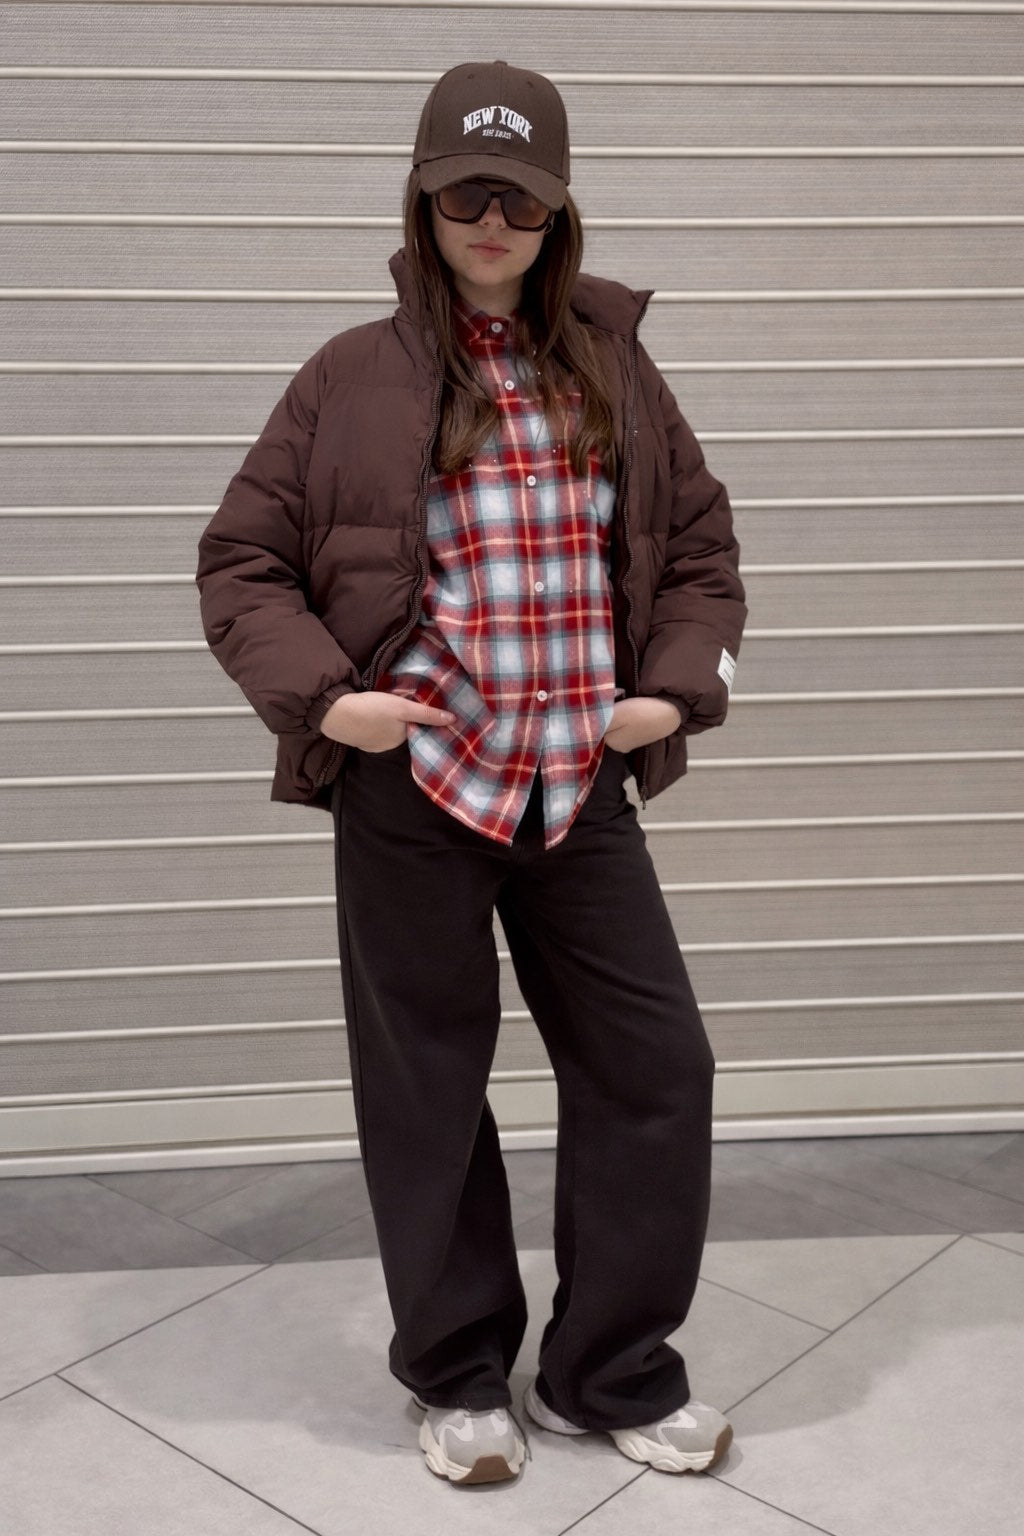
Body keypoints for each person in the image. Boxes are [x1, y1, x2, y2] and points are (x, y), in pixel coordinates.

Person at [196, 60, 746, 1488]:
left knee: (657, 1067)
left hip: (577, 786)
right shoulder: (348, 375)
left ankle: (607, 1371)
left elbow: (698, 550)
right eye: (464, 193)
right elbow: (242, 561)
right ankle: (455, 1375)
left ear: (559, 212)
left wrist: (668, 691)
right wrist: (334, 704)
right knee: (427, 1088)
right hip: (416, 789)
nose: (491, 220)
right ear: (424, 201)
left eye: (521, 196)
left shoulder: (615, 368)